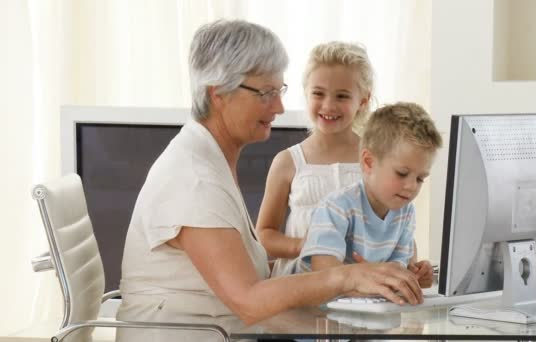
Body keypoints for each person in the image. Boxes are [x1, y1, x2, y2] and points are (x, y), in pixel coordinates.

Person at [116, 20, 423, 342]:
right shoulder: (195, 183)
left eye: (280, 91)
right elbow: (250, 301)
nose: (278, 106)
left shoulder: (209, 160)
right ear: (219, 93)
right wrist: (348, 276)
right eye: (266, 93)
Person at [294, 102, 442, 289]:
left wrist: (414, 275)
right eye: (402, 174)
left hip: (360, 307)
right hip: (306, 311)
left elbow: (397, 270)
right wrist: (370, 277)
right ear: (368, 162)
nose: (412, 186)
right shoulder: (336, 208)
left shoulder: (405, 212)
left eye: (420, 178)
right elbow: (324, 277)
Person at [256, 41, 373, 277]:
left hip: (359, 289)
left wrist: (409, 265)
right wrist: (302, 245)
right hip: (298, 288)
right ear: (306, 93)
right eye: (318, 93)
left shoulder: (376, 159)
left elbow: (396, 225)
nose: (328, 105)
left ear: (362, 101)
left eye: (342, 96)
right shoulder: (288, 161)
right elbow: (264, 233)